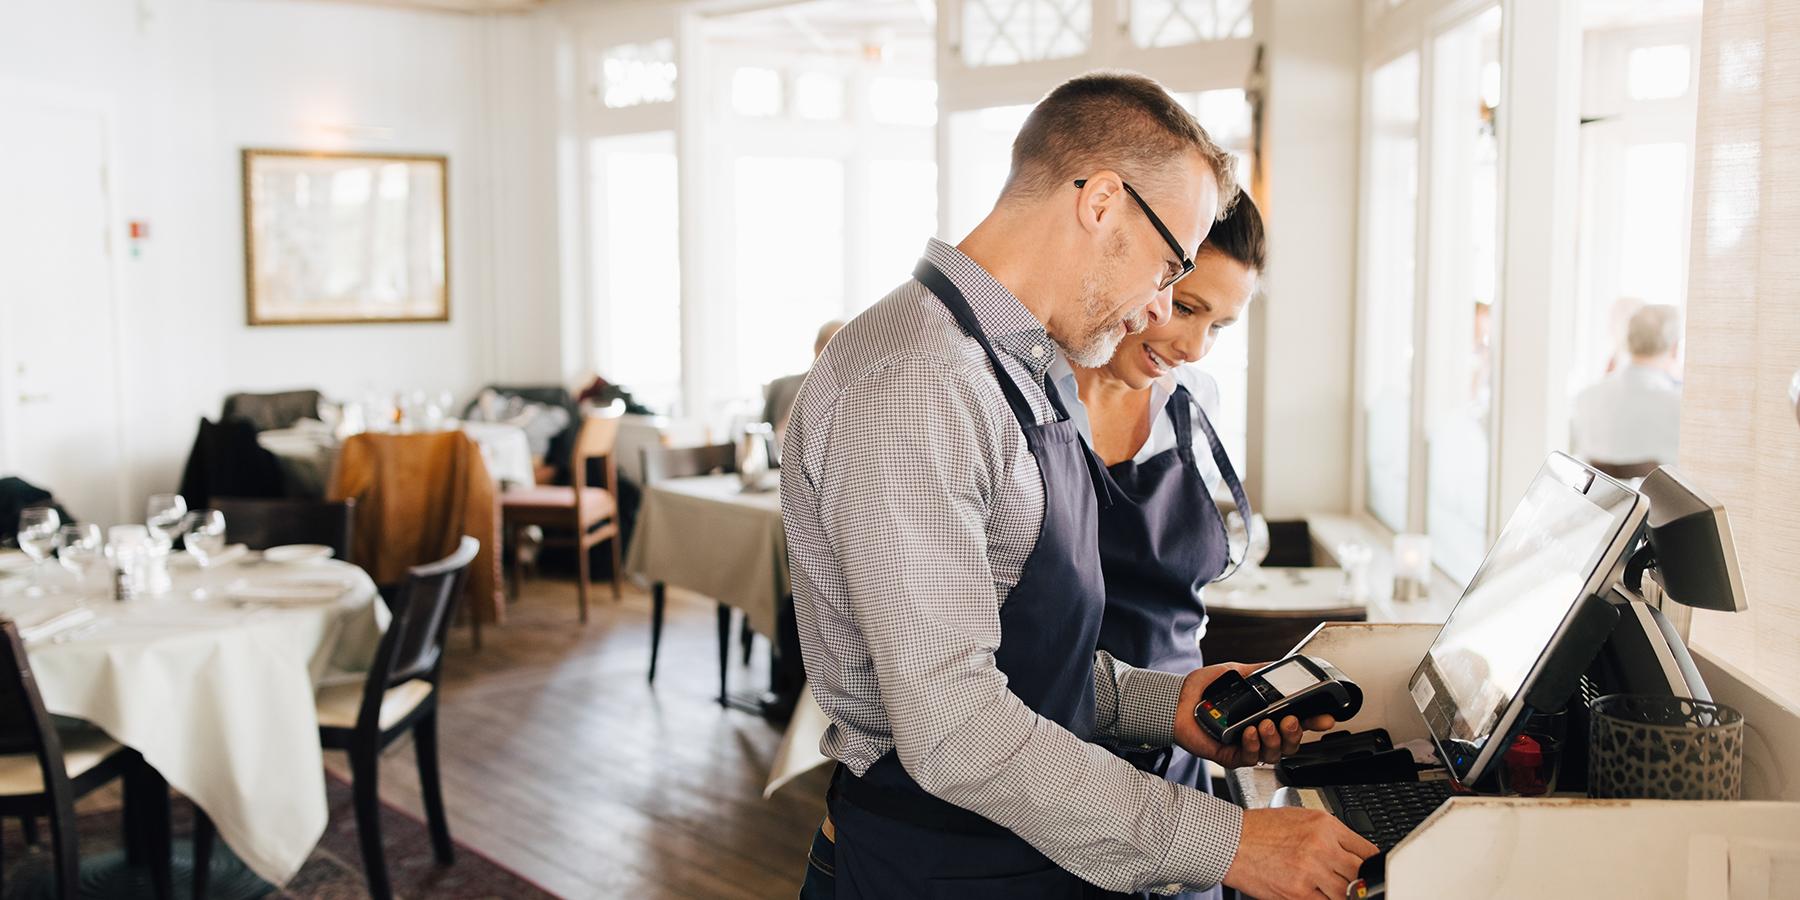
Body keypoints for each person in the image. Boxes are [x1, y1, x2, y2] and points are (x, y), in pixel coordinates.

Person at [783, 71, 1375, 900]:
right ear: (1100, 202)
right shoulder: (918, 380)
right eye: (1170, 267)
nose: (1156, 310)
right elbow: (954, 727)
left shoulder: (1018, 366)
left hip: (1038, 856)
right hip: (943, 869)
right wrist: (1231, 842)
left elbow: (1028, 663)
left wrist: (1162, 706)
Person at [1049, 194, 1264, 900]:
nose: (1195, 346)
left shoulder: (1196, 401)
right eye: (1189, 306)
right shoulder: (1032, 404)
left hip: (1184, 756)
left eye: (1222, 325)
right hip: (1051, 772)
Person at [1572, 303, 1684, 470]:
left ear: (1628, 341)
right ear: (1675, 348)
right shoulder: (1679, 406)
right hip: (1656, 495)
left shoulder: (1585, 397)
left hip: (1597, 496)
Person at [765, 320, 846, 451]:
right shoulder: (781, 386)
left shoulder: (849, 393)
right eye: (832, 344)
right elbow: (764, 431)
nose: (839, 351)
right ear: (817, 346)